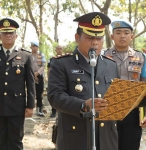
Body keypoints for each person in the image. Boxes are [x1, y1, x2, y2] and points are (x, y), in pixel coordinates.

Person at [48, 12, 119, 150]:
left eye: (99, 38)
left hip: (107, 139)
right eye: (90, 37)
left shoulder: (111, 65)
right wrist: (82, 105)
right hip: (76, 137)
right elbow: (55, 96)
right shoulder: (62, 64)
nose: (95, 42)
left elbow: (115, 99)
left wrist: (140, 98)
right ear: (77, 37)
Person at [104, 20, 146, 150]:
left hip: (133, 112)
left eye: (126, 33)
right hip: (108, 112)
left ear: (132, 36)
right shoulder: (102, 56)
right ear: (112, 36)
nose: (122, 36)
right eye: (118, 33)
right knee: (109, 146)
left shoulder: (141, 57)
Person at [0, 18, 35, 150]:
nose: (8, 35)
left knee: (15, 141)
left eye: (11, 33)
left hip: (17, 106)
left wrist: (30, 105)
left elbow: (30, 83)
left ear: (16, 35)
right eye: (4, 33)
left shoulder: (25, 56)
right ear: (0, 36)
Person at [30, 41, 46, 117]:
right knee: (31, 93)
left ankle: (39, 109)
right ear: (31, 47)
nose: (35, 48)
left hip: (39, 76)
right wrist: (33, 74)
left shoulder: (41, 55)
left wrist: (37, 73)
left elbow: (43, 66)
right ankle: (30, 109)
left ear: (38, 47)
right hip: (30, 76)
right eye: (33, 46)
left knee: (39, 93)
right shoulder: (29, 55)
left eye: (36, 46)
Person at [47, 45, 63, 118]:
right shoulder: (51, 59)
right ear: (55, 50)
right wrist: (48, 78)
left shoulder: (65, 59)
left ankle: (62, 112)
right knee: (54, 95)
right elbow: (49, 69)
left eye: (61, 49)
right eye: (58, 49)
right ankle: (53, 112)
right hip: (54, 80)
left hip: (63, 80)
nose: (59, 50)